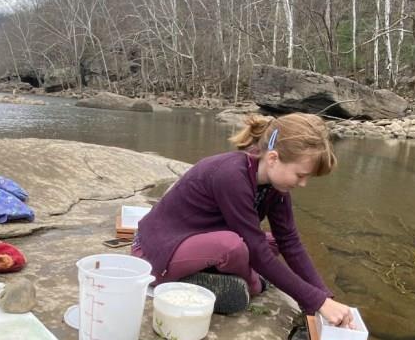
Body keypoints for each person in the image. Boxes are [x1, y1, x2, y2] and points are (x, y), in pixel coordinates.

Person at [133, 112, 354, 325]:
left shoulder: (275, 187)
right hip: (156, 252)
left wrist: (325, 298)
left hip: (200, 239)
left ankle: (214, 276)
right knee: (233, 247)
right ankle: (250, 283)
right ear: (273, 158)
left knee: (273, 242)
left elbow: (289, 241)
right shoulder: (231, 176)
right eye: (301, 175)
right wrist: (313, 299)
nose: (303, 184)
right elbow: (255, 251)